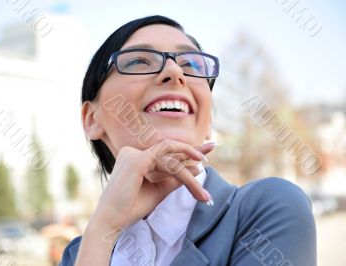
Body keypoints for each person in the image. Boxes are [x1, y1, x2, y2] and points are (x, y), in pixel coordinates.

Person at [60, 15, 316, 266]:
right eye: (139, 60)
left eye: (191, 64)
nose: (174, 71)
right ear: (92, 118)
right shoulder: (79, 254)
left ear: (208, 120)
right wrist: (103, 228)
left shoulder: (268, 209)